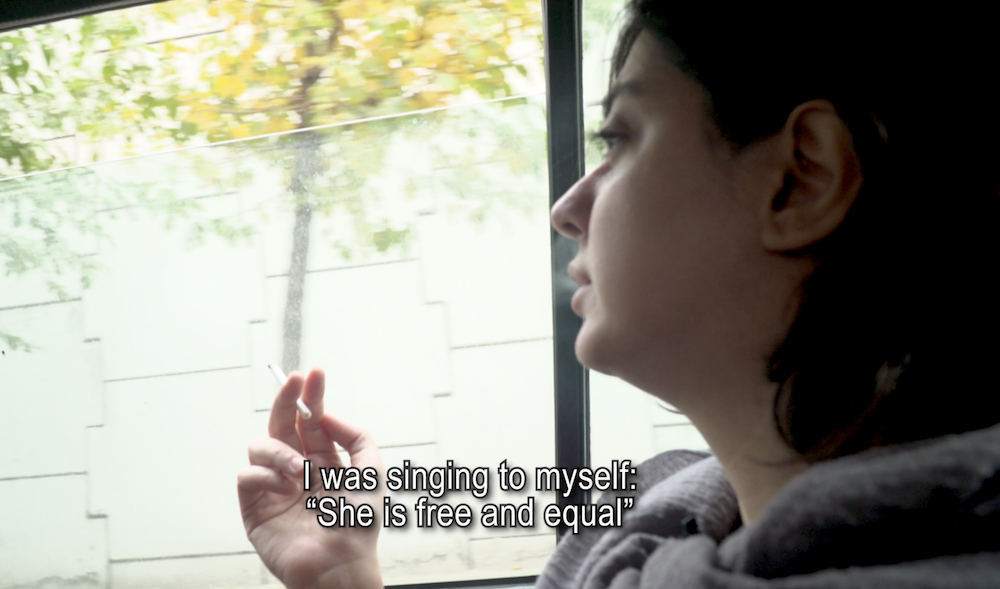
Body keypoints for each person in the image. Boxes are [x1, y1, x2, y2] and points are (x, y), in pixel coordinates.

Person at [237, 3, 1000, 588]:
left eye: (620, 137)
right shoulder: (620, 538)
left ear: (804, 178)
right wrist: (343, 578)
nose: (567, 208)